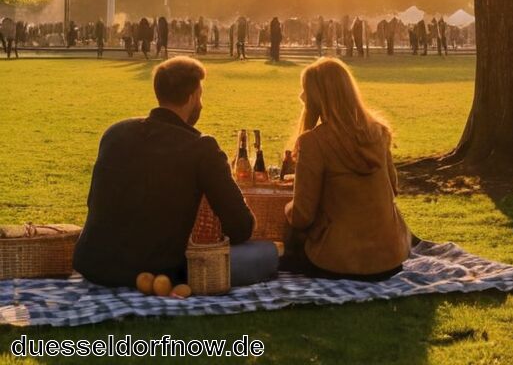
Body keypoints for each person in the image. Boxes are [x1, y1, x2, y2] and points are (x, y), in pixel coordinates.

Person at [73, 56, 277, 288]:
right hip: (159, 269)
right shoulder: (201, 148)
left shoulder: (115, 134)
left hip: (94, 264)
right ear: (192, 98)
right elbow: (241, 227)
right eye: (200, 96)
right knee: (266, 252)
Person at [281, 58, 411, 280]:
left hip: (336, 261)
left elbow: (303, 215)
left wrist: (285, 209)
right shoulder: (378, 133)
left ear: (316, 97)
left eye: (305, 91)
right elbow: (393, 189)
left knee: (284, 248)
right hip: (391, 257)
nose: (301, 97)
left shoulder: (314, 142)